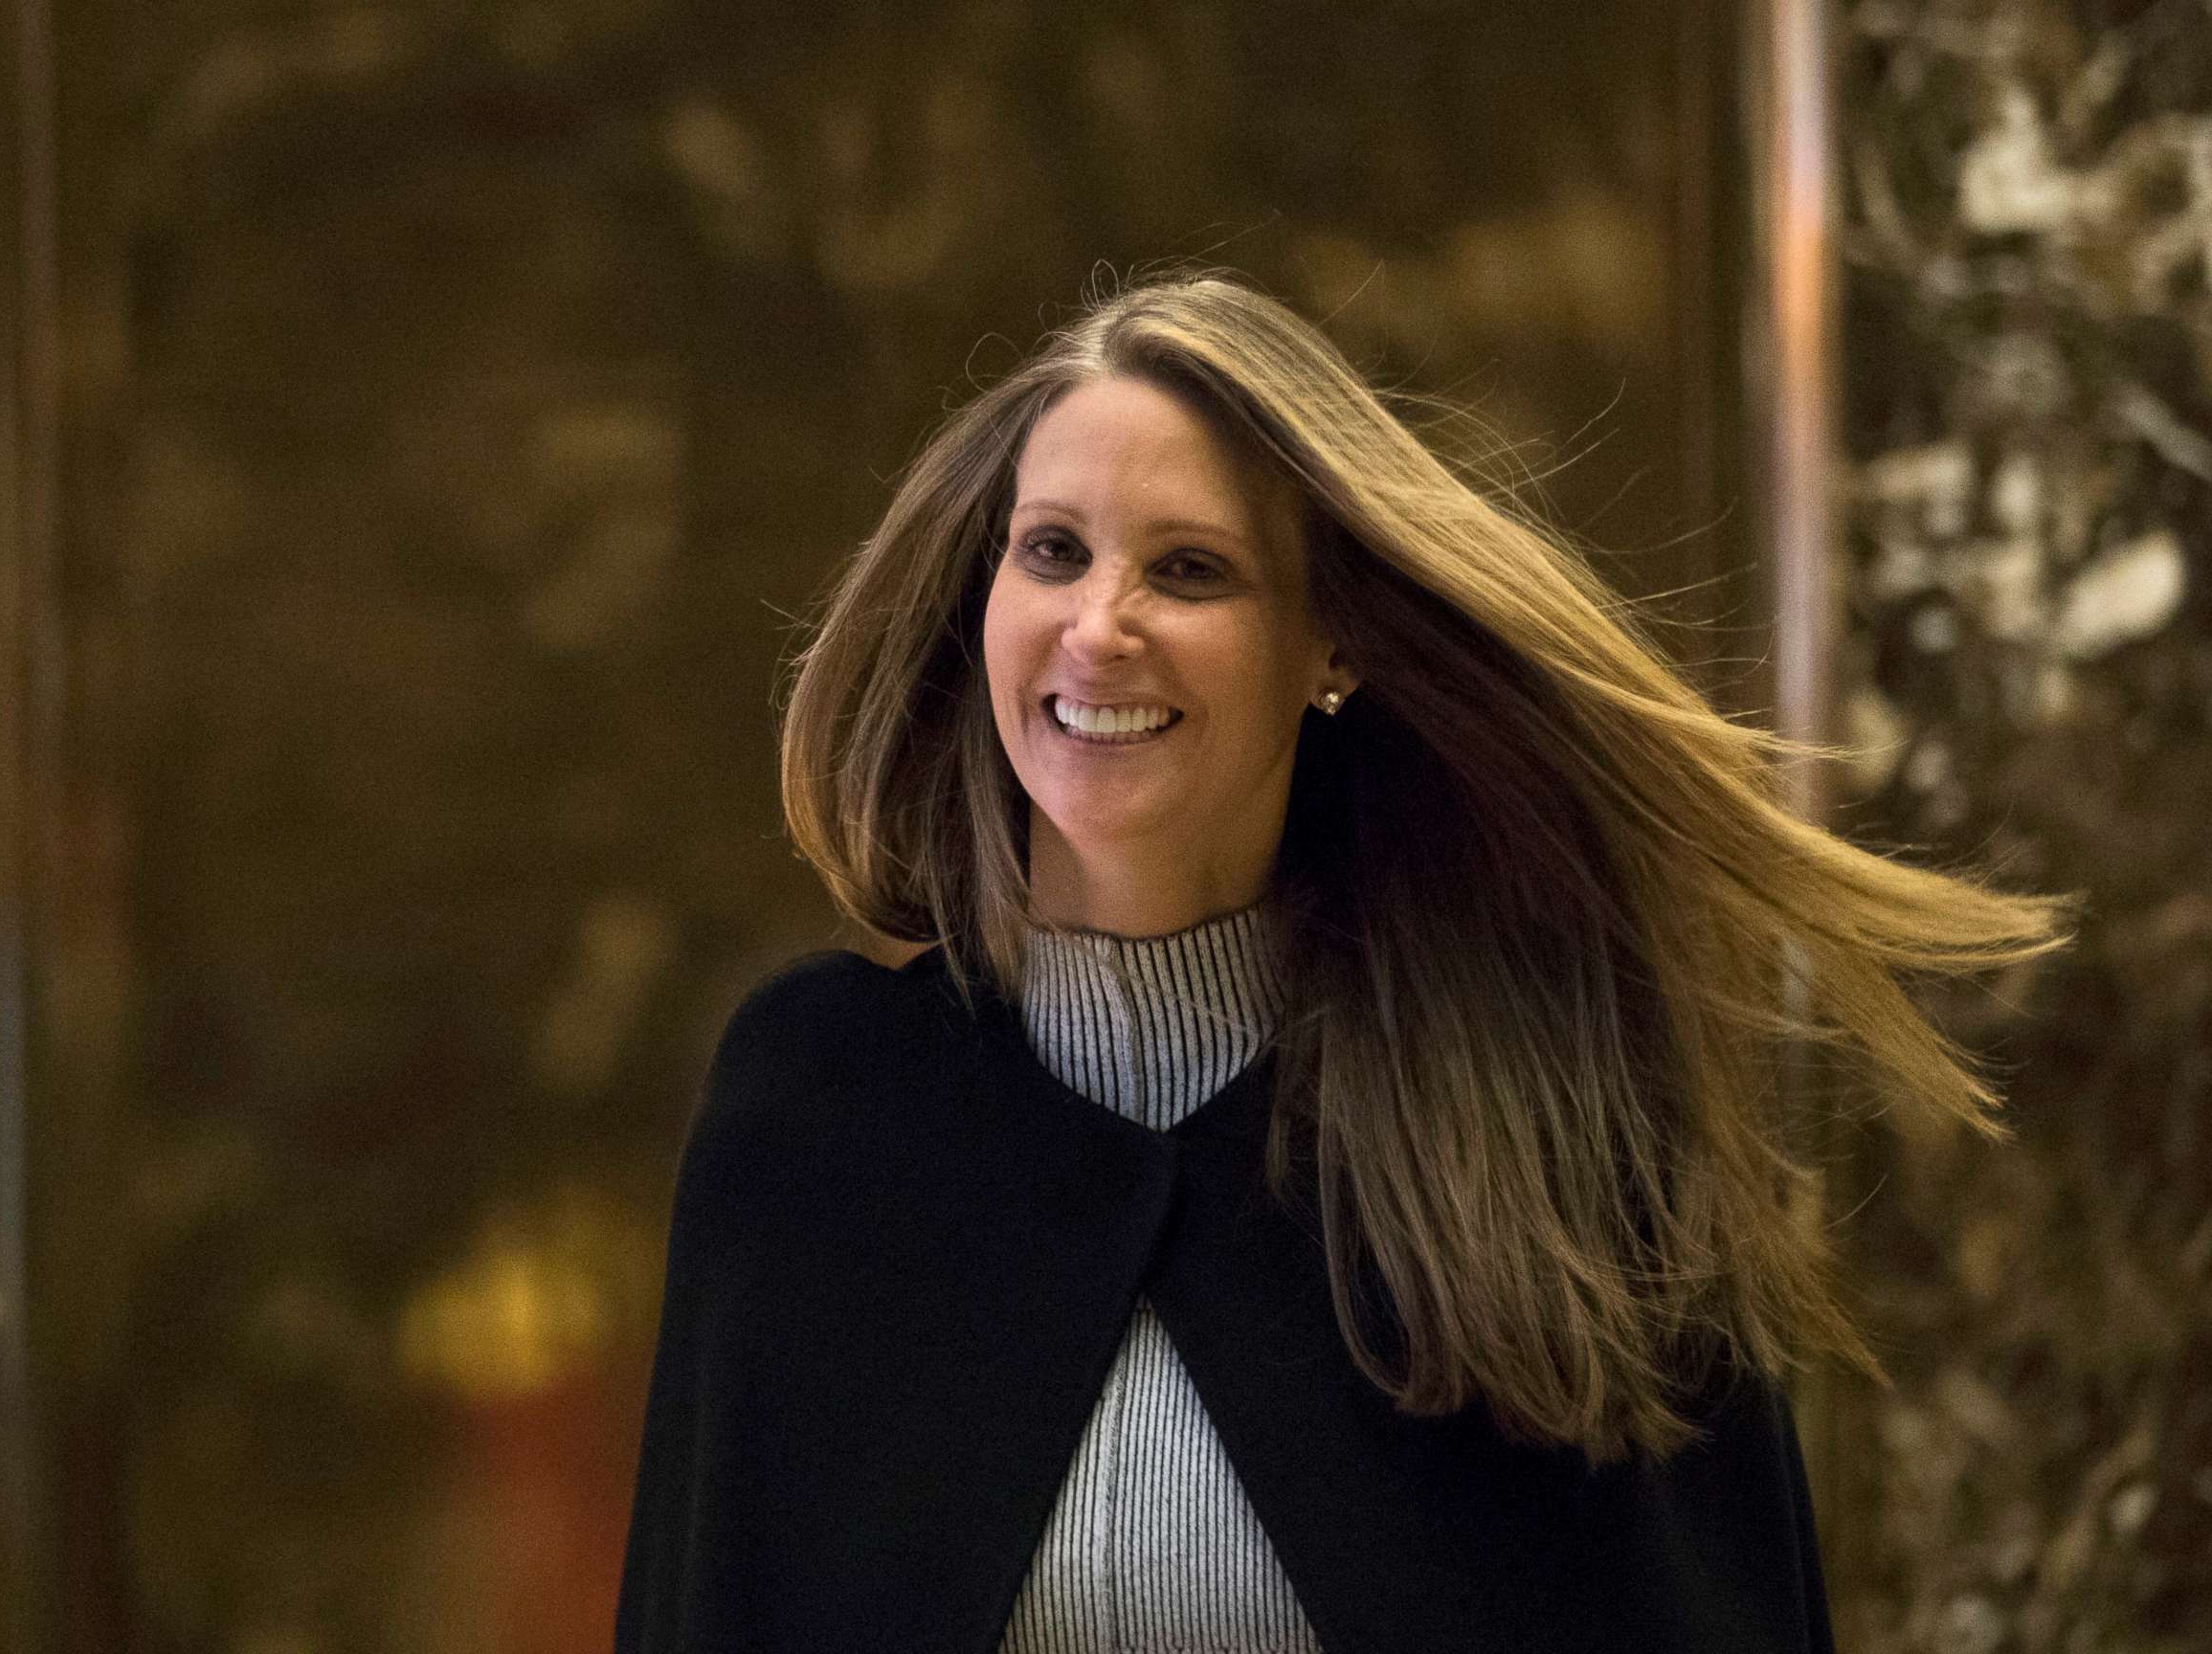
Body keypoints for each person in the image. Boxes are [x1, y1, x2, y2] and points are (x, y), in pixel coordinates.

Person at [613, 272, 2074, 1654]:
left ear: (1329, 649)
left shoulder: (1541, 1132)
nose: (1098, 625)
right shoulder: (816, 1115)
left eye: (1189, 570)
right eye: (1052, 551)